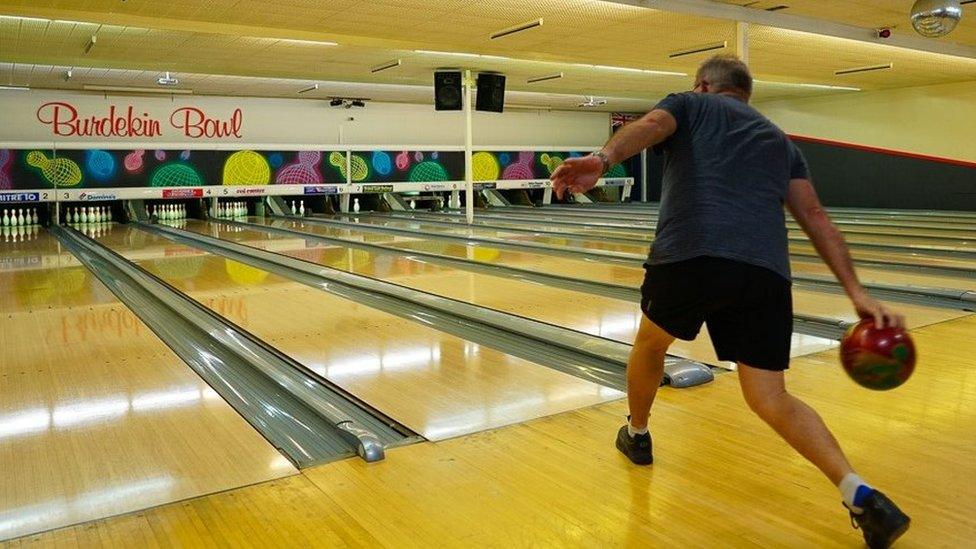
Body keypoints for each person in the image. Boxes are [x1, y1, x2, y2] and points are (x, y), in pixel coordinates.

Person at [550, 54, 910, 548]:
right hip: (763, 273)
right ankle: (860, 493)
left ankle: (637, 434)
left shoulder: (689, 106)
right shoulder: (779, 141)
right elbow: (815, 216)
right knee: (770, 397)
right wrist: (857, 293)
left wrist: (601, 159)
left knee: (651, 347)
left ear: (701, 86)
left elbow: (653, 124)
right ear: (746, 94)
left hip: (689, 254)